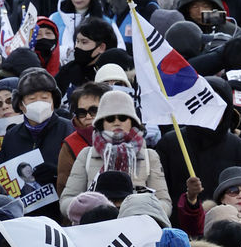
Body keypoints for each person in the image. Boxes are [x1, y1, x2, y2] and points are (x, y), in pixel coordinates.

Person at [59, 90, 172, 219]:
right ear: (102, 122)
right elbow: (66, 201)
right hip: (96, 228)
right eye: (110, 118)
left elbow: (165, 204)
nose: (117, 122)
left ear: (132, 122)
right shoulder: (86, 155)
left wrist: (138, 208)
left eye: (123, 118)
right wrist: (93, 206)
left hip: (138, 229)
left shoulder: (149, 156)